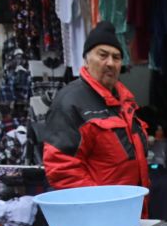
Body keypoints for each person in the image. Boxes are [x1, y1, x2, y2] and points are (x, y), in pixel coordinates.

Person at [41, 20, 150, 214]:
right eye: (103, 55)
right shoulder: (70, 102)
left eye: (116, 57)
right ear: (86, 59)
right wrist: (98, 209)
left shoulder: (126, 101)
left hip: (133, 212)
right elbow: (62, 168)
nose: (110, 63)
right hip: (100, 219)